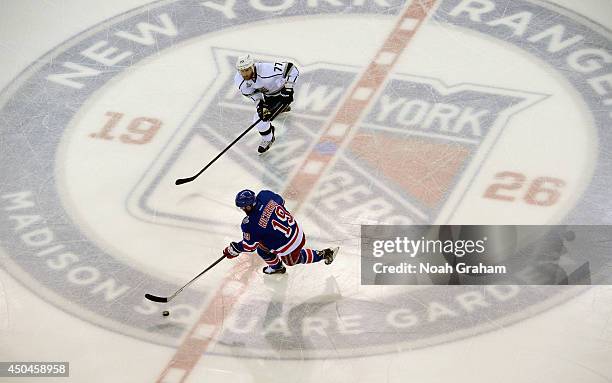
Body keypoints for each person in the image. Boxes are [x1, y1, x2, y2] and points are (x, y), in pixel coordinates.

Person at [223, 189, 339, 274]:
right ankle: (276, 267)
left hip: (288, 245)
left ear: (248, 206)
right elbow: (281, 201)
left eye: (243, 207)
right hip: (296, 230)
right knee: (262, 250)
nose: (242, 209)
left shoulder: (249, 224)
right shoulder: (265, 195)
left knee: (292, 261)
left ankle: (324, 254)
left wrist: (235, 248)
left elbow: (249, 246)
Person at [234, 54, 299, 153]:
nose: (244, 74)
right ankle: (280, 110)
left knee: (259, 120)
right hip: (268, 96)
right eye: (242, 71)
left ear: (253, 66)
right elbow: (253, 94)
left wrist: (288, 89)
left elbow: (292, 69)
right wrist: (260, 105)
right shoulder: (240, 80)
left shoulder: (266, 70)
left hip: (282, 93)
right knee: (261, 117)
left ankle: (268, 139)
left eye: (247, 70)